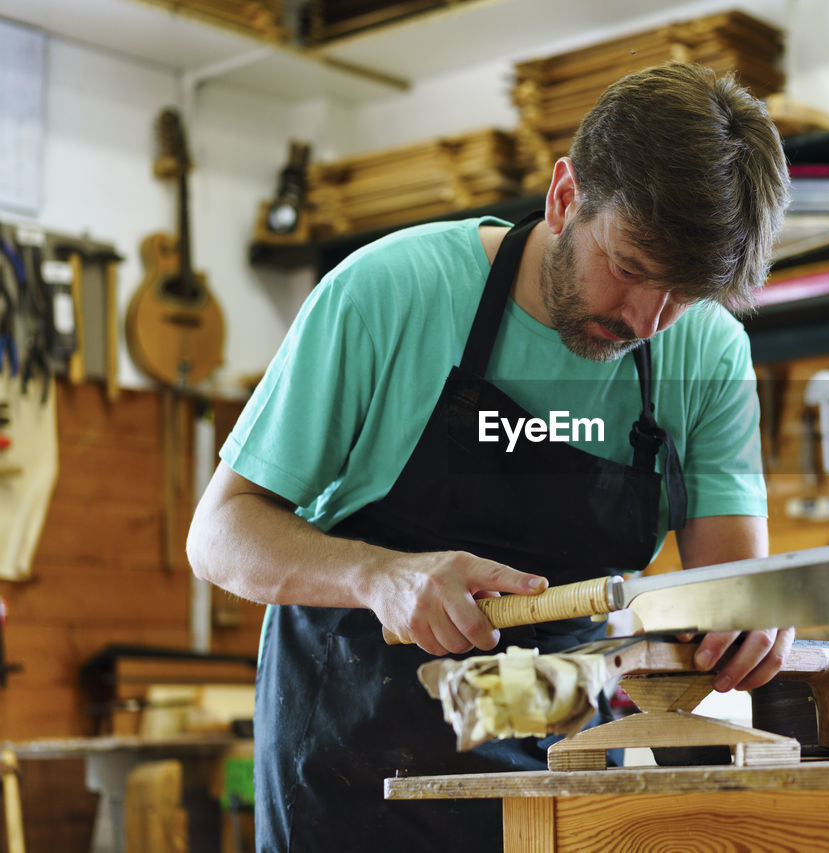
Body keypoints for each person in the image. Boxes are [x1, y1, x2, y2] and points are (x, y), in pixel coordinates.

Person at [187, 61, 793, 851]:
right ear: (566, 196)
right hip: (352, 776)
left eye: (684, 295)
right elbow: (219, 533)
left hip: (563, 776)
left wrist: (752, 626)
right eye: (631, 268)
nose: (647, 319)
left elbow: (729, 597)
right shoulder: (387, 293)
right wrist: (379, 575)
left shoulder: (707, 355)